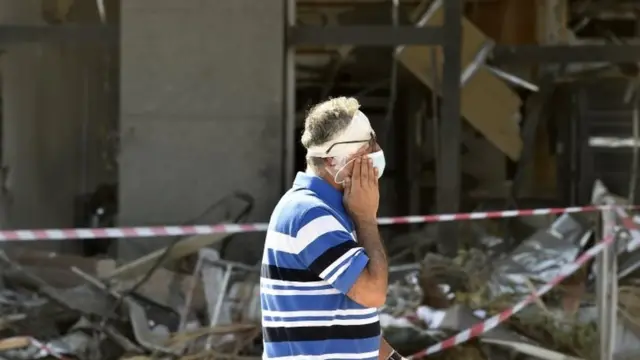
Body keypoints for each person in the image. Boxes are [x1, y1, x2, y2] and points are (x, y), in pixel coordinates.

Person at [260, 97, 406, 359]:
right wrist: (367, 220)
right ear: (331, 161)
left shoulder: (333, 212)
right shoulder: (311, 215)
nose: (376, 153)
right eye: (366, 149)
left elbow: (348, 317)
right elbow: (372, 293)